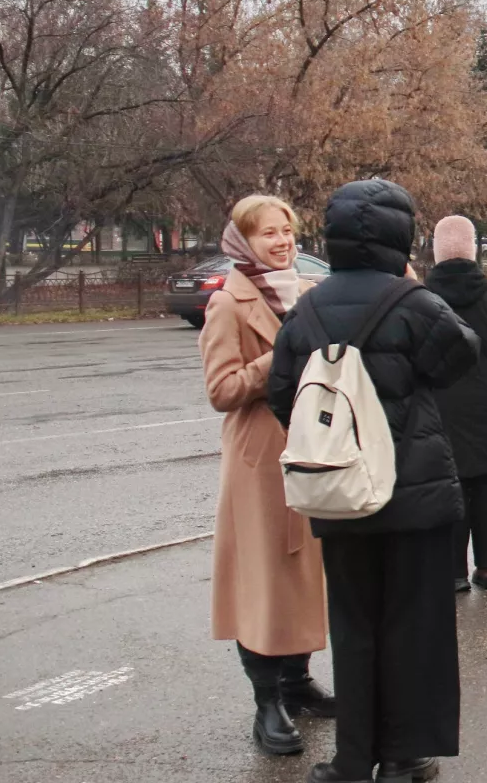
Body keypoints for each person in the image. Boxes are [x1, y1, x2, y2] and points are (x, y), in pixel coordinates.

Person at [268, 179, 480, 783]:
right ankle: (406, 759)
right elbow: (459, 358)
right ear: (400, 237)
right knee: (413, 628)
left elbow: (283, 393)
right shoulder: (412, 302)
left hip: (341, 496)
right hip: (413, 496)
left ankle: (352, 761)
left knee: (354, 628)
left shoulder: (307, 307)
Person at [199, 194, 333, 758]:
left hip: (309, 448)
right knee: (260, 584)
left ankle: (297, 683)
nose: (282, 242)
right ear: (242, 242)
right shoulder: (228, 303)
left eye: (286, 231)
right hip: (257, 462)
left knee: (304, 574)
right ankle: (266, 703)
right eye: (267, 235)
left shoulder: (305, 291)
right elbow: (221, 391)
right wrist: (280, 351)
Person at [425, 215, 487, 593]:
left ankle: (452, 572)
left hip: (438, 404)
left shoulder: (422, 295)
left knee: (448, 484)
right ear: (472, 248)